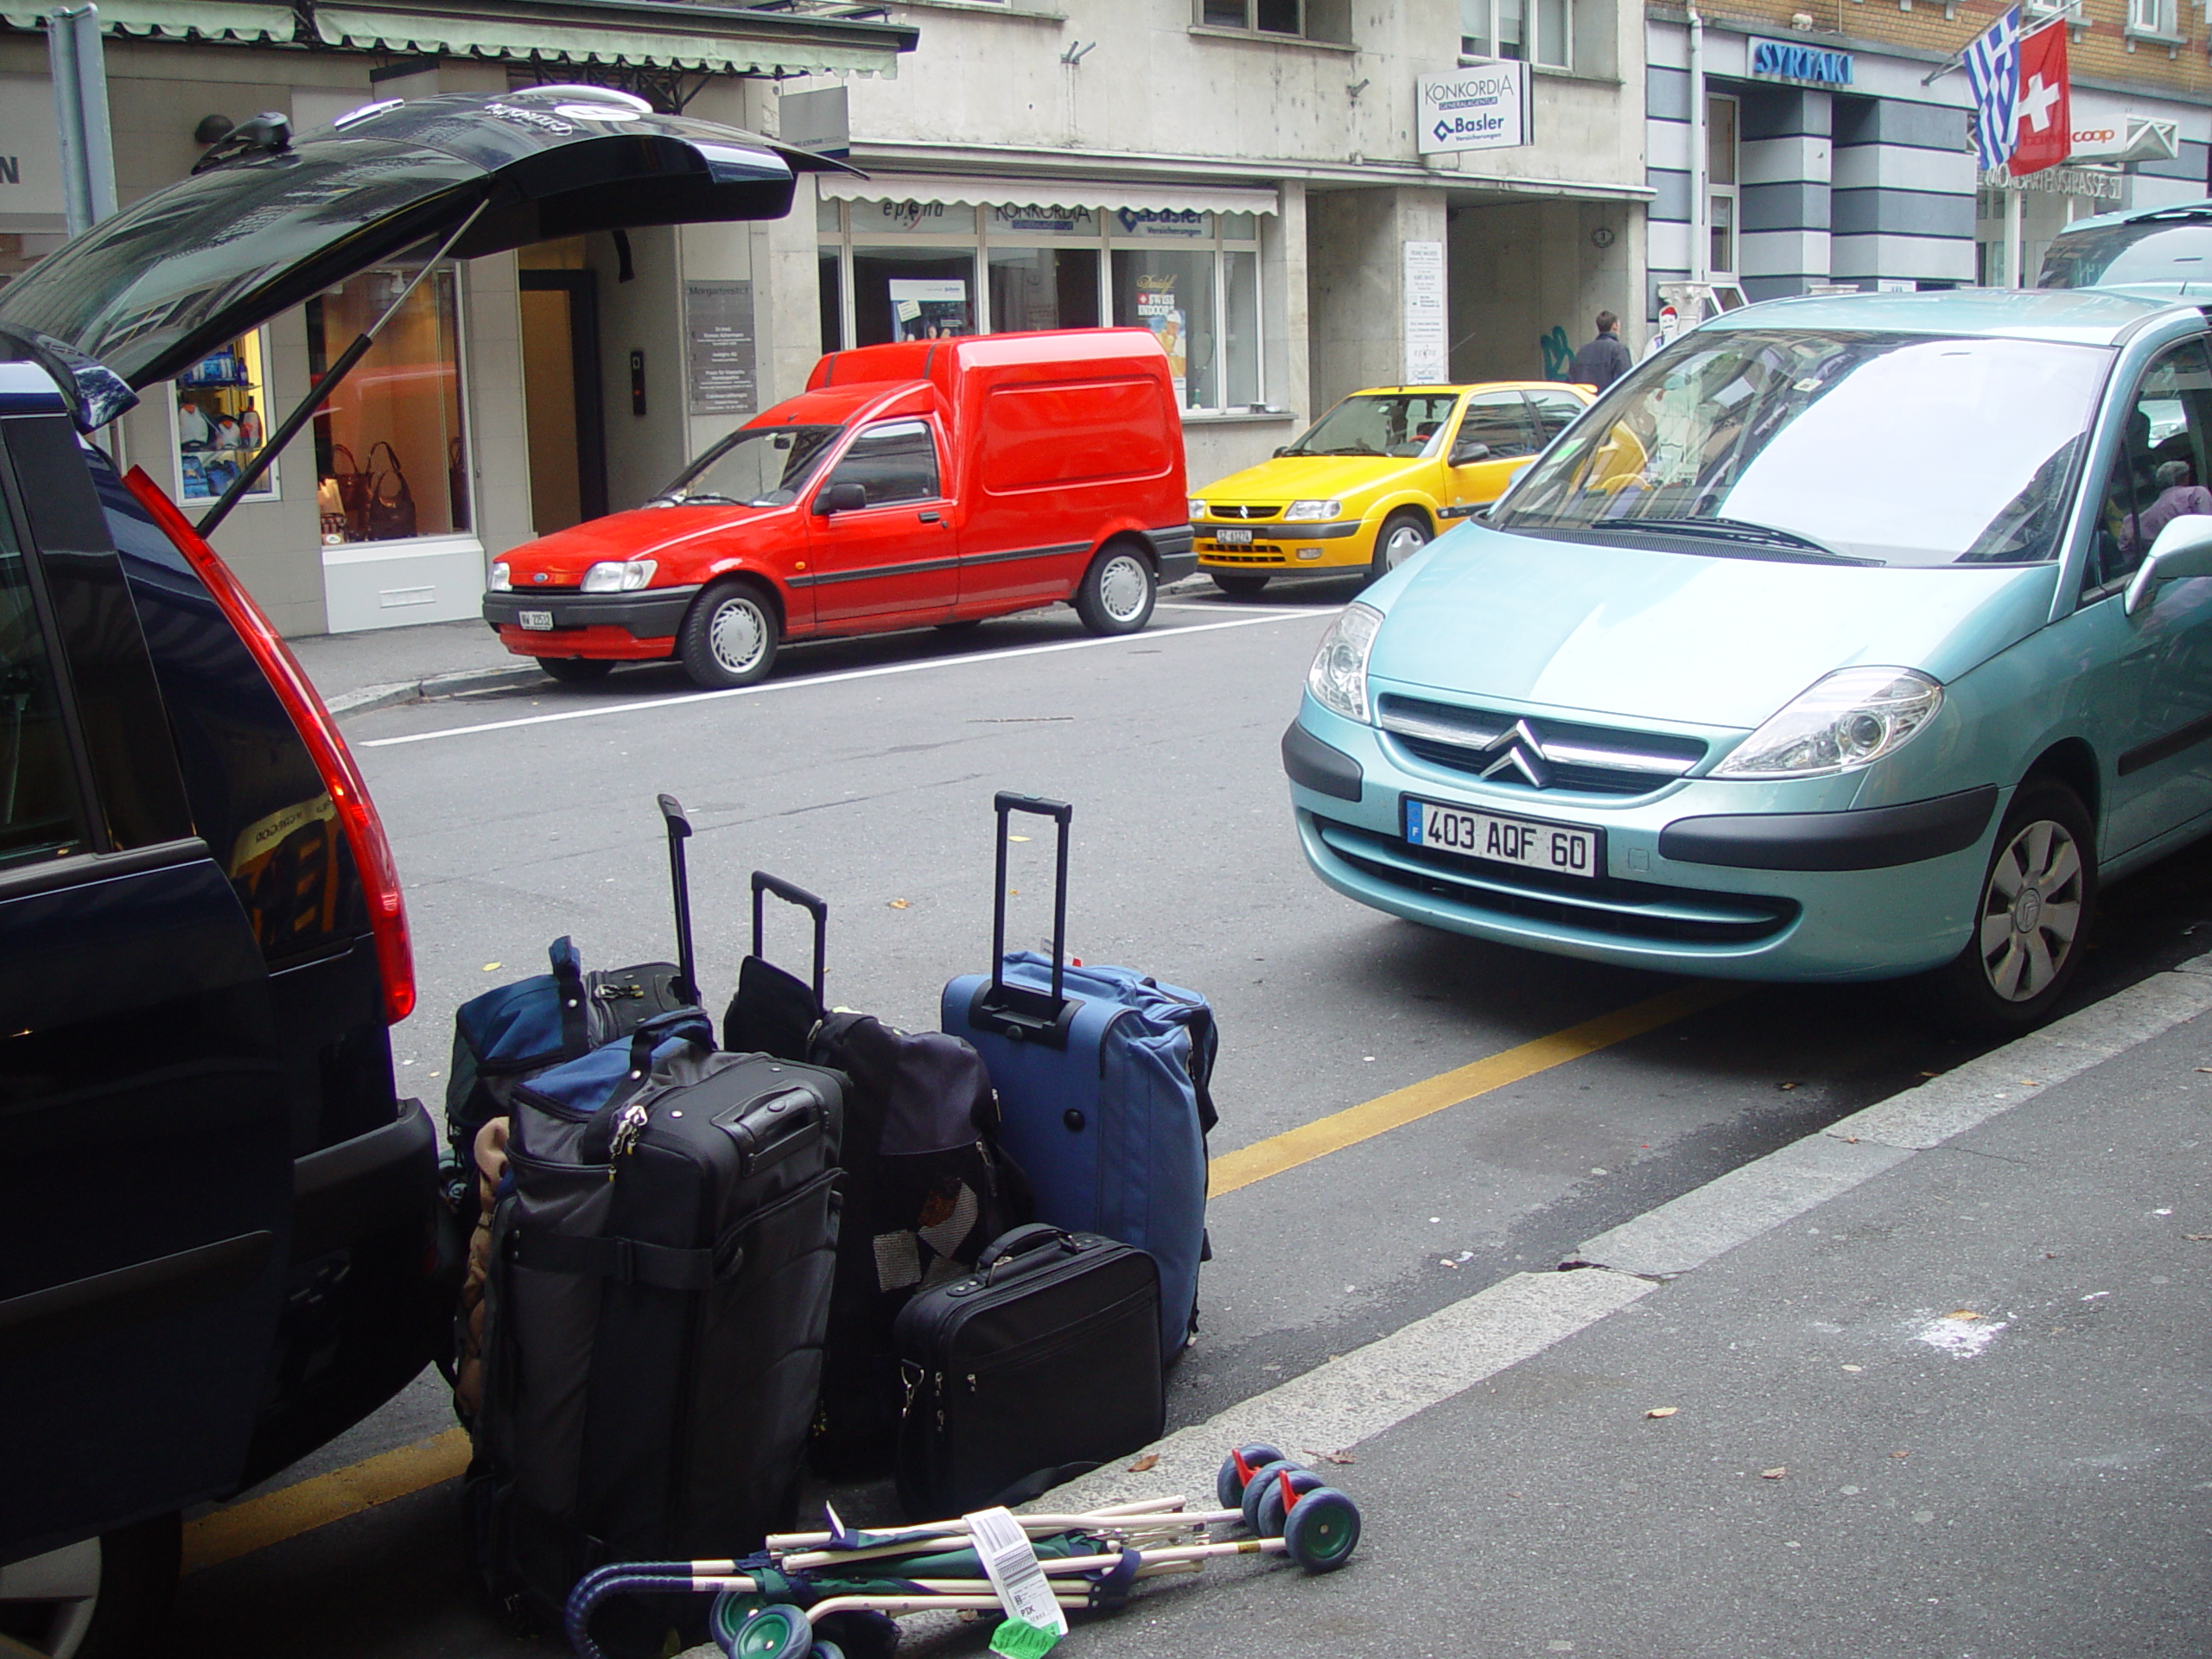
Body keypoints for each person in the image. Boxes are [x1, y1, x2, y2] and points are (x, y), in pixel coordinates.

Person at [1568, 310, 1633, 391]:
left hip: (1585, 402)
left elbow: (1571, 382)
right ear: (1615, 325)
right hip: (1608, 402)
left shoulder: (1582, 351)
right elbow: (1625, 384)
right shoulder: (1619, 350)